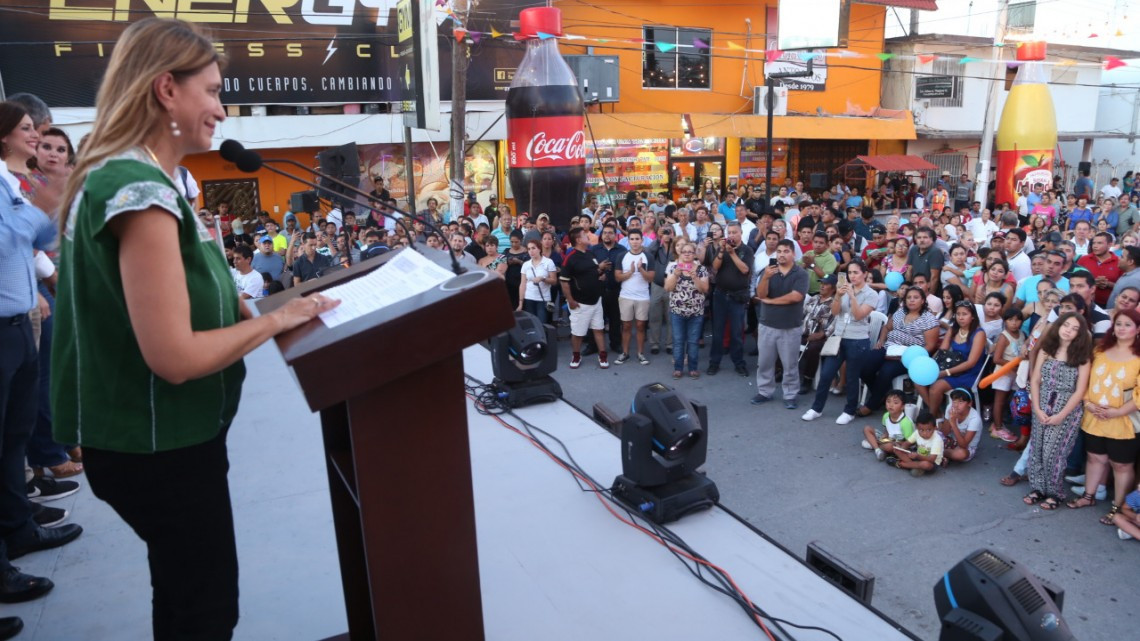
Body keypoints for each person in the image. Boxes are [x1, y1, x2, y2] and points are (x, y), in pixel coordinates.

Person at [51, 19, 341, 640]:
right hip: (157, 446)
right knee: (204, 611)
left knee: (183, 596)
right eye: (210, 90)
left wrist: (270, 307)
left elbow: (204, 290)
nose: (221, 108)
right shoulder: (136, 188)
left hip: (158, 443)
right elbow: (175, 357)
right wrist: (277, 321)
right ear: (165, 89)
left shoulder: (145, 179)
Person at [1068, 308, 1140, 526]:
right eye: (1118, 323)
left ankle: (1117, 508)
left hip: (1124, 421)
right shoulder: (1099, 351)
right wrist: (1088, 403)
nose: (1122, 328)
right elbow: (1087, 380)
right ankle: (1088, 496)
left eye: (1128, 324)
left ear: (1138, 329)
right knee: (1095, 458)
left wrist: (1117, 412)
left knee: (1121, 466)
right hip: (1095, 416)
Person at [1018, 313, 1093, 511]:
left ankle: (1055, 493)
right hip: (1042, 403)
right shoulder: (1046, 350)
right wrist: (1036, 407)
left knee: (1054, 453)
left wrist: (1061, 415)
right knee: (1038, 448)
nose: (1068, 329)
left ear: (1080, 333)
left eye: (1074, 328)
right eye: (1065, 325)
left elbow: (1080, 391)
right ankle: (1037, 488)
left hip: (1066, 408)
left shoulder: (1082, 357)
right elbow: (1034, 380)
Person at [802, 260, 878, 424]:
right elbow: (835, 312)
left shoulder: (871, 294)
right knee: (827, 374)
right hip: (838, 337)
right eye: (850, 273)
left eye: (856, 272)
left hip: (857, 340)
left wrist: (852, 296)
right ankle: (816, 408)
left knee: (852, 377)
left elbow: (858, 315)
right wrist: (838, 295)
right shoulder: (843, 289)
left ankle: (849, 410)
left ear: (864, 273)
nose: (852, 276)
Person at [855, 286, 940, 415]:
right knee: (865, 366)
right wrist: (881, 342)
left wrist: (909, 357)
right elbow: (886, 328)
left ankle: (871, 405)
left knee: (886, 371)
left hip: (909, 356)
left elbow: (930, 345)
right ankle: (881, 395)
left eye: (916, 298)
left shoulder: (929, 319)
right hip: (889, 347)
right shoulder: (901, 312)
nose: (911, 300)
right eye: (909, 298)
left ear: (923, 300)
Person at [752, 239, 809, 408]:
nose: (782, 254)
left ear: (793, 254)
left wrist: (771, 302)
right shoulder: (767, 271)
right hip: (767, 324)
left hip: (790, 326)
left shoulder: (801, 274)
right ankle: (764, 391)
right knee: (764, 362)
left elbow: (796, 296)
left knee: (790, 363)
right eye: (779, 251)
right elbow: (761, 294)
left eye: (786, 251)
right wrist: (766, 278)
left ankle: (790, 394)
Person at [917, 301, 988, 411]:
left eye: (964, 314)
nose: (960, 317)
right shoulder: (953, 329)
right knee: (918, 380)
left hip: (967, 372)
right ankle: (937, 415)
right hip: (951, 365)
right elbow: (942, 351)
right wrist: (930, 366)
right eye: (958, 314)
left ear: (973, 316)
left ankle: (931, 416)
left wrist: (946, 372)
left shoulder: (979, 333)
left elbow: (971, 363)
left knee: (935, 388)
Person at [706, 221, 754, 377]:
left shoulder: (746, 250)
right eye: (730, 232)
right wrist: (721, 251)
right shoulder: (722, 248)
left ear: (740, 233)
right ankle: (714, 362)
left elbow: (745, 270)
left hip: (737, 296)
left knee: (736, 332)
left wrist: (732, 253)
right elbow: (715, 267)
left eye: (735, 232)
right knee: (717, 331)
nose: (732, 235)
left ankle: (739, 363)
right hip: (720, 294)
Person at [560, 227, 609, 369]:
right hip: (580, 303)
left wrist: (600, 273)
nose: (588, 236)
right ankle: (576, 355)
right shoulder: (570, 258)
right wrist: (570, 300)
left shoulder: (590, 254)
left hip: (596, 300)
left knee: (599, 329)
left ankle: (603, 355)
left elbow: (593, 271)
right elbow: (564, 281)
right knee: (578, 333)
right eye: (584, 235)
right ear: (578, 240)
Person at [664, 242, 709, 379]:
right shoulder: (673, 267)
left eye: (690, 252)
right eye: (684, 252)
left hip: (696, 312)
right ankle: (678, 368)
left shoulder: (701, 269)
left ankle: (693, 368)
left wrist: (695, 277)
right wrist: (676, 275)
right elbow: (668, 288)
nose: (687, 254)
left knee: (693, 341)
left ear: (694, 254)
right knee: (678, 341)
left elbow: (705, 289)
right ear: (680, 253)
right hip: (677, 311)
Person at [614, 230, 654, 365]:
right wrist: (631, 272)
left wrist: (640, 269)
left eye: (637, 239)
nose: (635, 241)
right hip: (626, 296)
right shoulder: (621, 256)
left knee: (641, 325)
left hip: (643, 296)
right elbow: (617, 277)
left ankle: (640, 353)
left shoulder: (648, 256)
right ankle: (625, 353)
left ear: (642, 240)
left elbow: (650, 279)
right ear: (628, 240)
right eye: (632, 239)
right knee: (626, 325)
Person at [884, 411, 944, 477]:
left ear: (935, 428)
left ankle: (900, 464)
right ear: (917, 428)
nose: (924, 433)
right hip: (917, 457)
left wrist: (918, 456)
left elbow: (932, 459)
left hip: (931, 463)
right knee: (897, 450)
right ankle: (916, 467)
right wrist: (902, 449)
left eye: (928, 430)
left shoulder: (937, 439)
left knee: (925, 464)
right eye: (921, 430)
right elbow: (907, 443)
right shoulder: (917, 433)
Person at [861, 390, 915, 461]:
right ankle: (878, 450)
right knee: (867, 428)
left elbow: (910, 442)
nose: (891, 405)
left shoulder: (905, 422)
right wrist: (883, 437)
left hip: (900, 444)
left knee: (889, 446)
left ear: (902, 407)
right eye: (888, 401)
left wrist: (894, 443)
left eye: (895, 403)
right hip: (889, 439)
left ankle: (875, 445)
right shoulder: (886, 416)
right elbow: (887, 430)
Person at [647, 227, 675, 355]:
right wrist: (658, 239)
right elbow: (648, 253)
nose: (667, 235)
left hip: (672, 286)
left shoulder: (676, 249)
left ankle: (670, 343)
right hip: (657, 285)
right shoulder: (656, 247)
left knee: (670, 317)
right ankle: (654, 344)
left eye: (669, 232)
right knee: (654, 315)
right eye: (665, 232)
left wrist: (674, 240)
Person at [517, 239, 558, 325]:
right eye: (529, 249)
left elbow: (554, 281)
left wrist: (543, 279)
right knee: (531, 325)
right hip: (528, 297)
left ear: (539, 249)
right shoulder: (526, 264)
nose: (531, 251)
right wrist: (520, 303)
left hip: (543, 299)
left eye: (533, 248)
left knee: (542, 324)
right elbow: (522, 284)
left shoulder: (548, 262)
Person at [1077, 232, 1121, 308]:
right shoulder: (1083, 260)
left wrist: (1109, 284)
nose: (1095, 246)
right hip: (1084, 305)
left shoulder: (1119, 262)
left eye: (1099, 243)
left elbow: (1124, 286)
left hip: (1111, 306)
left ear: (1110, 244)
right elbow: (1075, 280)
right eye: (1094, 243)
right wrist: (1092, 282)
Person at [939, 388, 983, 463]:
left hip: (966, 447)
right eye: (954, 401)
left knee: (961, 454)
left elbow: (963, 445)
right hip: (951, 441)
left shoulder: (975, 418)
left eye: (961, 402)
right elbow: (944, 433)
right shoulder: (950, 407)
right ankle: (941, 455)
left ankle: (938, 453)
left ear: (969, 403)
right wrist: (949, 419)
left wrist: (953, 423)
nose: (956, 405)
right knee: (932, 434)